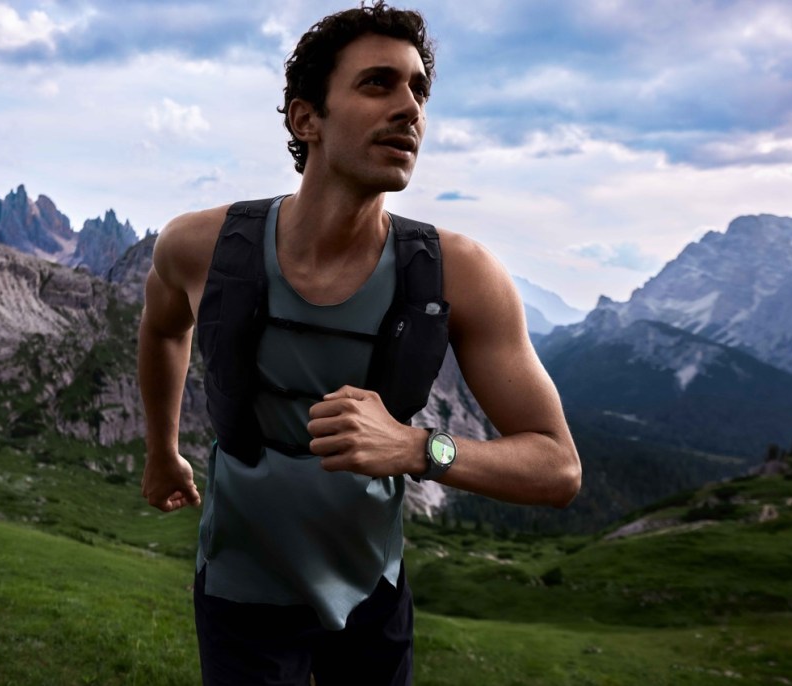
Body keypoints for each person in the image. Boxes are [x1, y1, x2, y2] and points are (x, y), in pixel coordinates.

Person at [138, 2, 581, 683]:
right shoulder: (199, 245)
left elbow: (558, 469)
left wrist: (415, 447)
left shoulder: (461, 272)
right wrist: (163, 454)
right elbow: (165, 328)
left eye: (418, 90)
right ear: (305, 118)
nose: (410, 109)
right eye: (379, 83)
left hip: (372, 597)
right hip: (238, 592)